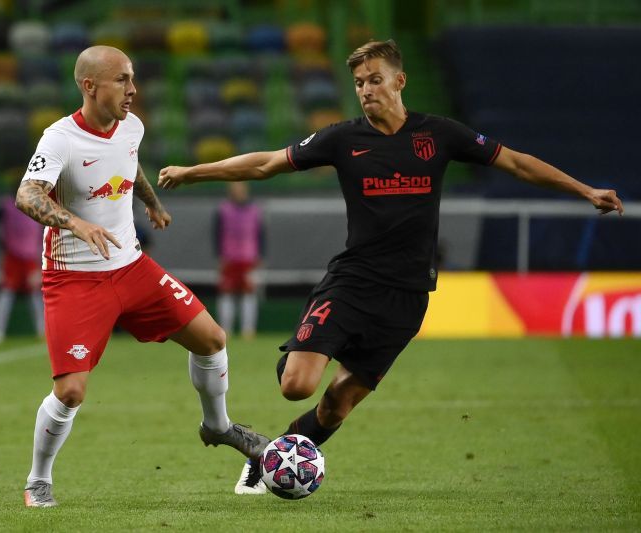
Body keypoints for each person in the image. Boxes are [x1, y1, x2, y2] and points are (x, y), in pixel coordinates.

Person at [157, 39, 624, 495]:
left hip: (407, 299)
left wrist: (585, 190)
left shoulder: (440, 134)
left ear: (400, 81)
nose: (365, 90)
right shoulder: (342, 138)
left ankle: (269, 459)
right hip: (352, 282)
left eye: (374, 80)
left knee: (337, 405)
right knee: (297, 386)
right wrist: (192, 171)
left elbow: (518, 164)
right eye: (359, 82)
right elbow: (266, 164)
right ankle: (300, 358)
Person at [15, 45, 268, 507]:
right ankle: (38, 479)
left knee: (212, 338)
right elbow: (27, 195)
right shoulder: (60, 138)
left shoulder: (132, 125)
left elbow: (127, 163)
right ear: (90, 86)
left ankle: (218, 426)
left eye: (133, 78)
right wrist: (77, 223)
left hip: (131, 267)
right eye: (122, 80)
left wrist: (148, 200)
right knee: (70, 391)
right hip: (75, 277)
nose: (133, 90)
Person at [0, 176, 45, 344]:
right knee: (6, 292)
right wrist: (0, 243)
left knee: (36, 293)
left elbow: (45, 228)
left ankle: (44, 329)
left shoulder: (38, 205)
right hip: (13, 256)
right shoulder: (7, 205)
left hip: (31, 257)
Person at [214, 181, 264, 339]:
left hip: (249, 258)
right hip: (229, 258)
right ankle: (225, 329)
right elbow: (216, 234)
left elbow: (261, 235)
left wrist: (260, 255)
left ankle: (248, 330)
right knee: (226, 293)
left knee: (248, 294)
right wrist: (219, 256)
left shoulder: (255, 211)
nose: (239, 193)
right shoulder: (223, 210)